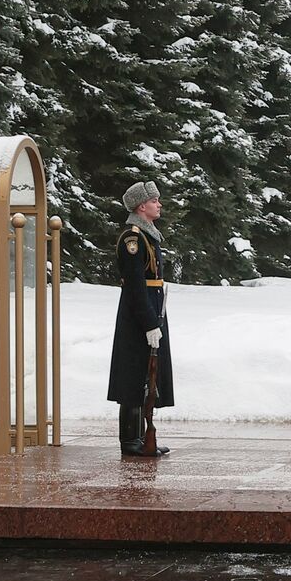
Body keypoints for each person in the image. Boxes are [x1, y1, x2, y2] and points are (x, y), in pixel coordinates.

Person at [107, 180, 173, 457]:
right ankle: (130, 440)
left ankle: (141, 437)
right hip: (138, 315)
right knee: (133, 375)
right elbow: (135, 285)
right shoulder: (133, 238)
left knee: (147, 375)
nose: (159, 204)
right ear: (141, 206)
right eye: (155, 201)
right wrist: (148, 324)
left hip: (150, 310)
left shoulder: (148, 235)